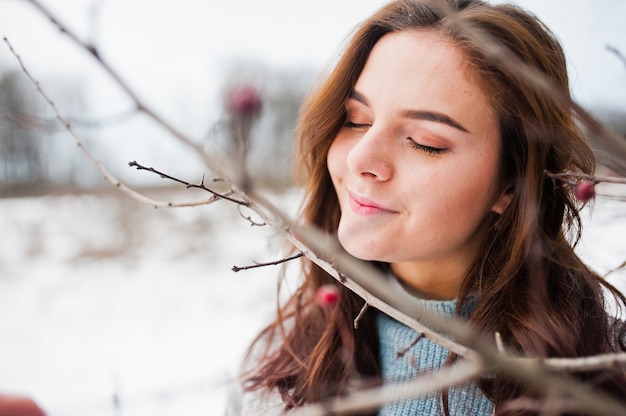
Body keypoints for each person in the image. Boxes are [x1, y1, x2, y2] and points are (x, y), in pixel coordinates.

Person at [227, 0, 626, 414]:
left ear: (511, 184)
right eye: (356, 120)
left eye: (424, 141)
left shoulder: (601, 380)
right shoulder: (278, 372)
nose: (359, 159)